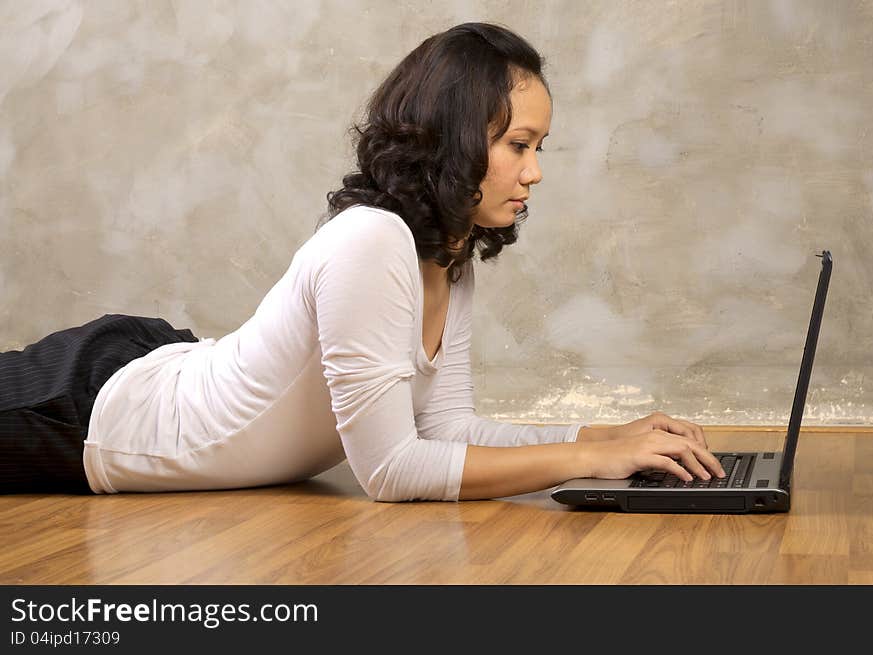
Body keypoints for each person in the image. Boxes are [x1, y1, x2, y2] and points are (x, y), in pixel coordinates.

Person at [0, 22, 725, 500]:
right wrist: (587, 461)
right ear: (455, 140)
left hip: (171, 363)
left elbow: (446, 436)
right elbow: (389, 471)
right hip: (96, 407)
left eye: (541, 148)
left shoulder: (447, 253)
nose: (535, 172)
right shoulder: (371, 241)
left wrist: (611, 438)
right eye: (519, 146)